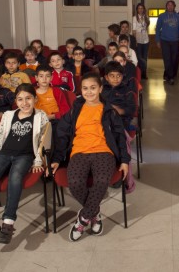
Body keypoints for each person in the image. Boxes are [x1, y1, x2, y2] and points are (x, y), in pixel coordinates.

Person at [49, 73, 131, 241]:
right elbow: (62, 134)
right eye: (85, 88)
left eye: (93, 88)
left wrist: (124, 160)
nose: (89, 92)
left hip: (104, 152)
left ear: (100, 89)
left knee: (101, 181)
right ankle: (94, 213)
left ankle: (83, 219)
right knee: (75, 183)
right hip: (79, 152)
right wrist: (56, 159)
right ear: (81, 90)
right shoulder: (75, 110)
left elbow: (120, 136)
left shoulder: (109, 111)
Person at [0, 83, 49, 246]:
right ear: (15, 101)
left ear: (35, 99)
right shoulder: (8, 115)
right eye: (20, 99)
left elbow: (43, 141)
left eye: (28, 98)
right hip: (4, 153)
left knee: (15, 177)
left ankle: (8, 222)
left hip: (25, 155)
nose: (25, 103)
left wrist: (38, 160)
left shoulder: (40, 116)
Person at [156, 0, 179, 85]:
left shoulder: (178, 16)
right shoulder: (161, 16)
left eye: (171, 5)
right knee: (167, 59)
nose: (170, 6)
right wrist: (157, 40)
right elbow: (157, 29)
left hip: (175, 41)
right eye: (168, 5)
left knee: (174, 59)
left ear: (174, 6)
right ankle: (170, 77)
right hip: (164, 41)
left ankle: (168, 74)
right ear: (166, 6)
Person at [132, 3, 150, 79]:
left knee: (145, 57)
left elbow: (146, 28)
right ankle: (139, 73)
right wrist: (135, 40)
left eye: (142, 8)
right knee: (139, 57)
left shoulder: (146, 17)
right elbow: (134, 30)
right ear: (137, 10)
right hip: (138, 39)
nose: (140, 10)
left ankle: (144, 73)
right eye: (139, 8)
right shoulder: (134, 18)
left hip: (145, 39)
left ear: (144, 9)